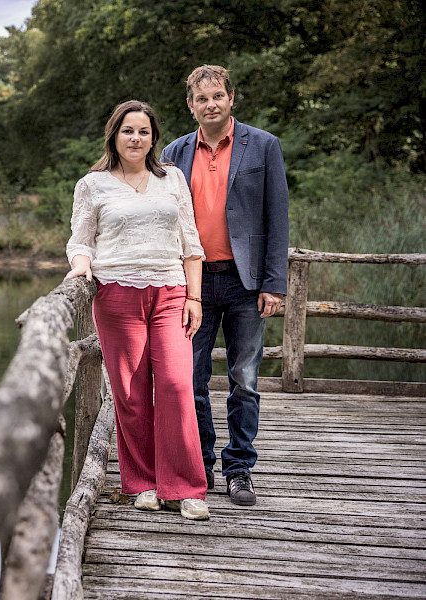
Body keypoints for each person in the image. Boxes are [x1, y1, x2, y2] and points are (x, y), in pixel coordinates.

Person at [65, 100, 209, 520]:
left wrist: (194, 297)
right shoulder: (92, 184)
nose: (136, 138)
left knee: (176, 386)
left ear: (153, 137)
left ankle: (185, 488)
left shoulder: (173, 179)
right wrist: (81, 266)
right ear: (114, 135)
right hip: (116, 294)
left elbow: (191, 243)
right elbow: (81, 241)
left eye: (143, 131)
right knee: (129, 393)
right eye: (128, 130)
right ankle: (143, 483)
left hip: (170, 293)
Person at [161, 65, 289, 506]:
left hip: (246, 283)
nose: (210, 104)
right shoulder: (174, 153)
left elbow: (277, 217)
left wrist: (274, 283)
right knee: (190, 379)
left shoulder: (264, 146)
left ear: (231, 98)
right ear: (191, 106)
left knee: (244, 379)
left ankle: (240, 469)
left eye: (218, 96)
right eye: (202, 99)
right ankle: (201, 465)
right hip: (191, 284)